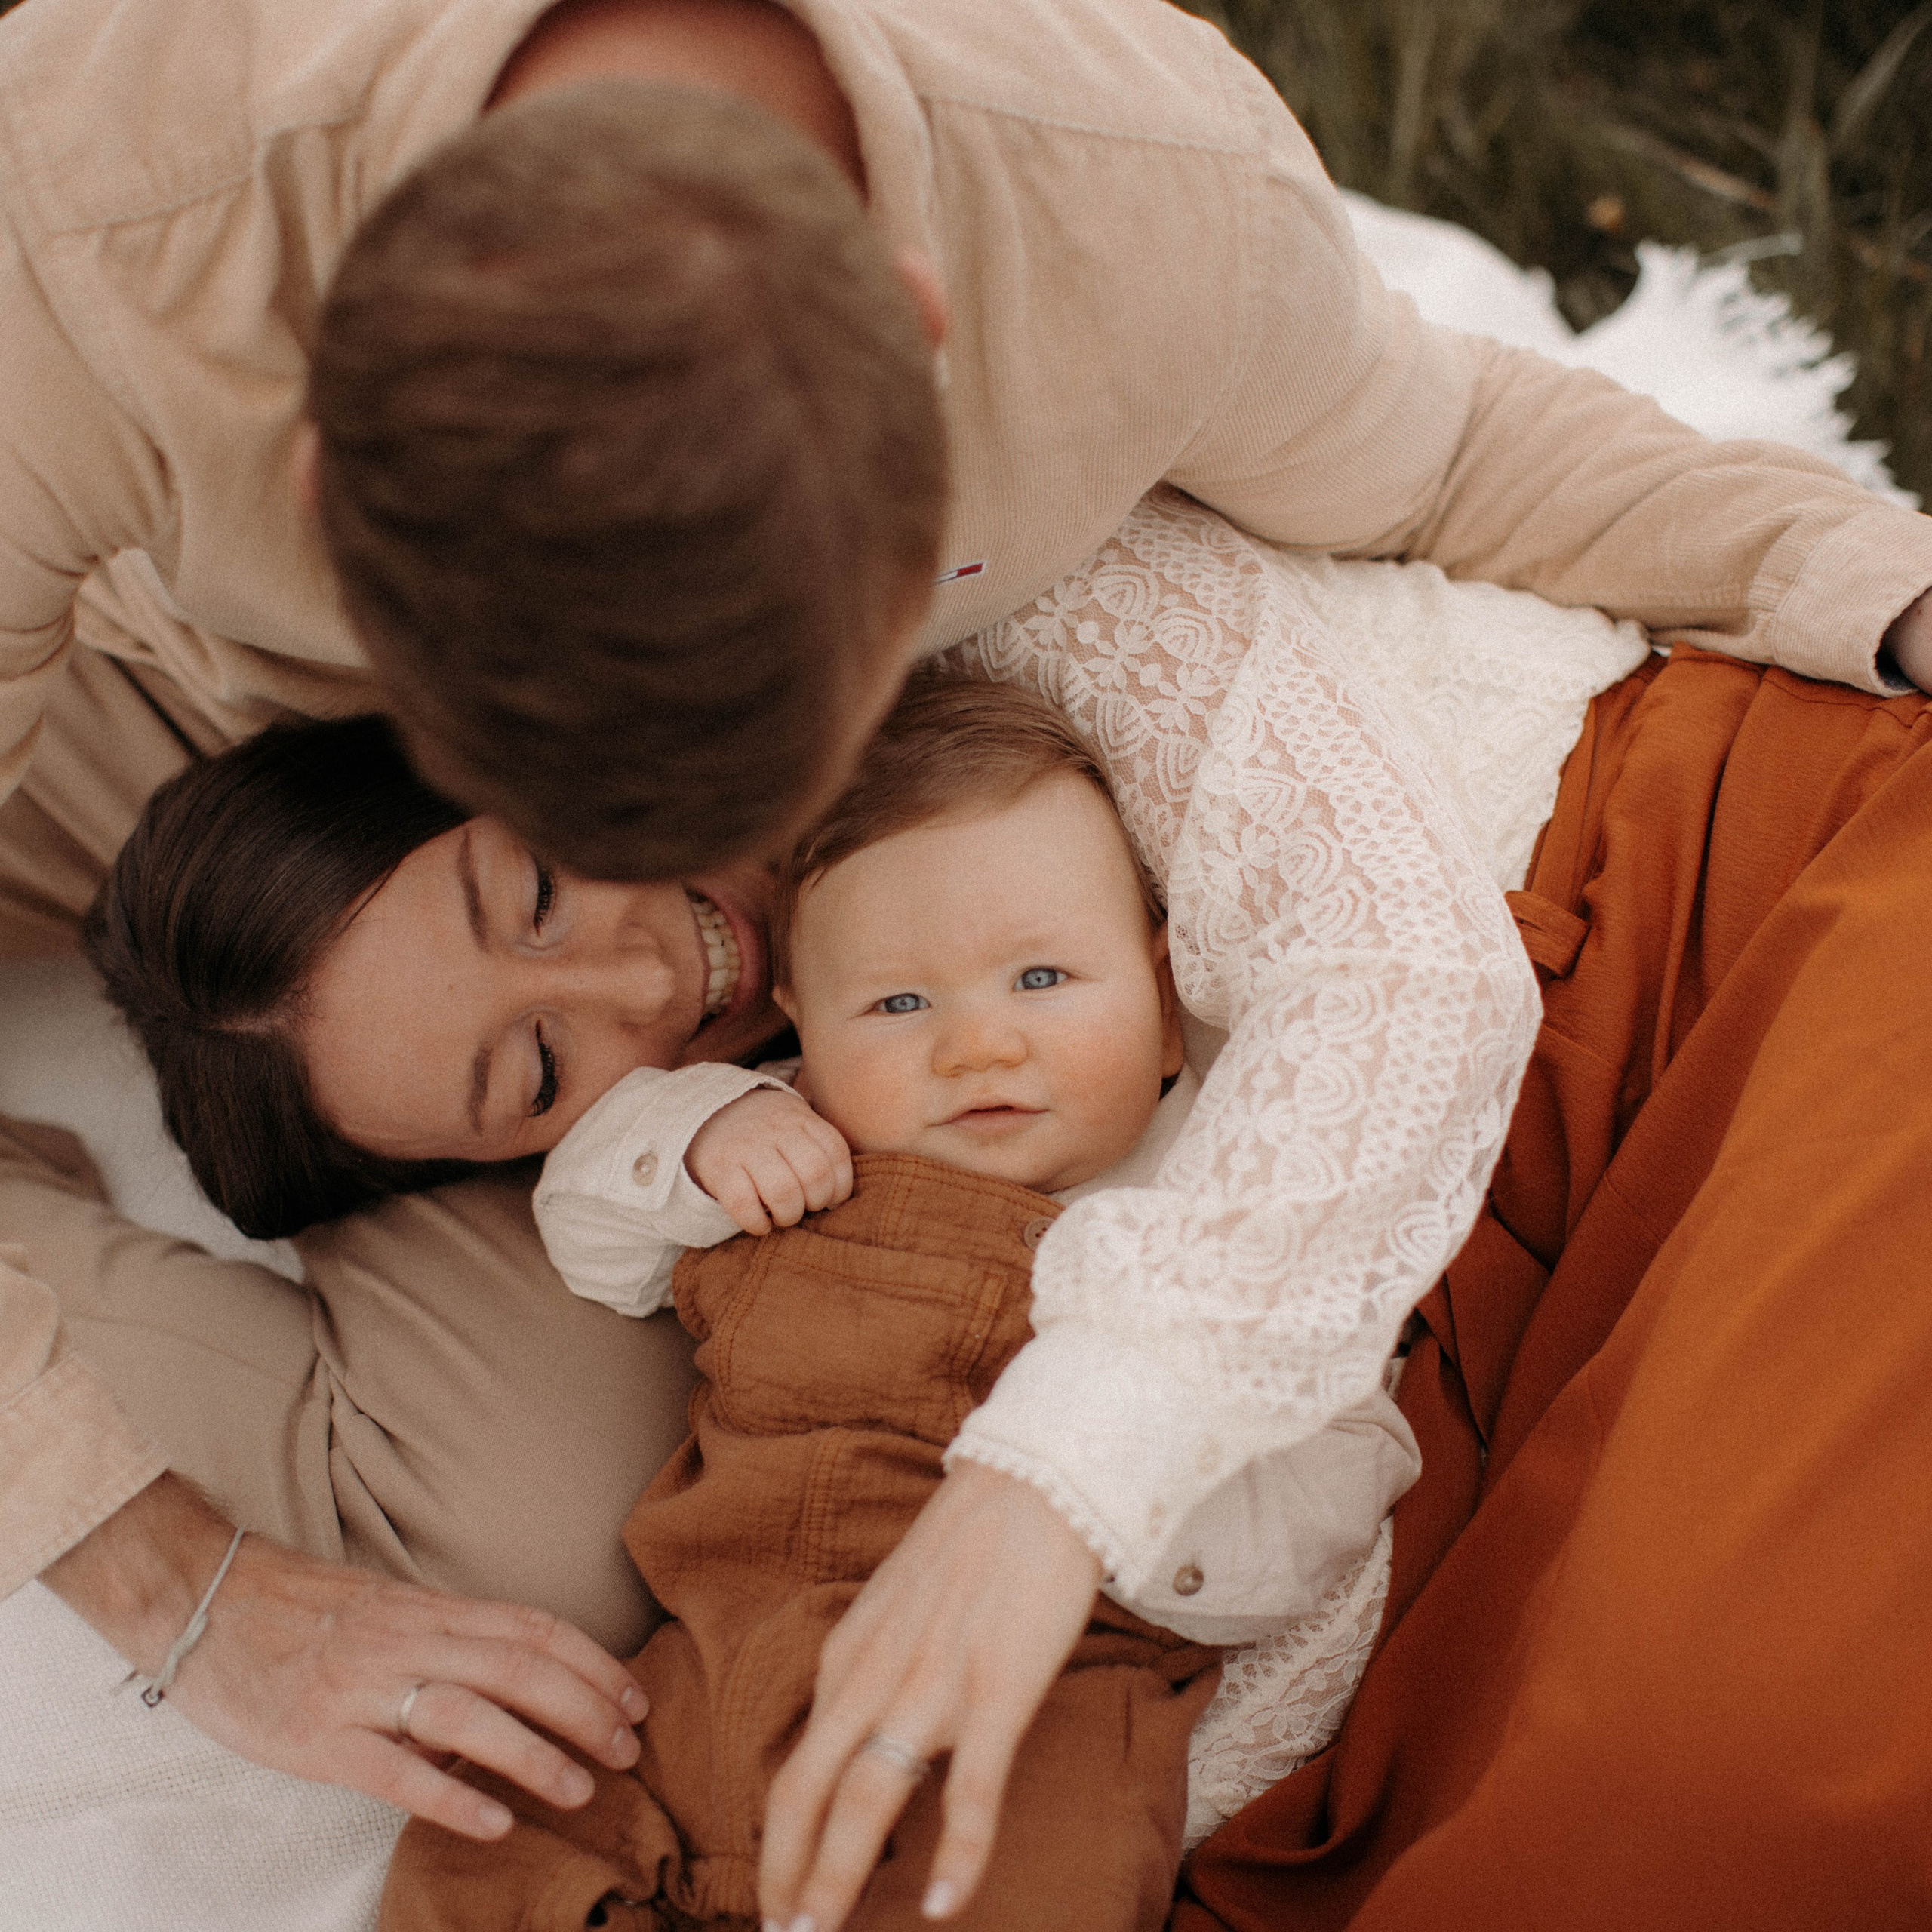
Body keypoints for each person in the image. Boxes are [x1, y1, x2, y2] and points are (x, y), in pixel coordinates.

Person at [5, 0, 1932, 1897]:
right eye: (573, 841)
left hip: (1647, 960)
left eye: (729, 799)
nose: (684, 971)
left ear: (921, 350)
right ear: (322, 492)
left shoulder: (1133, 213)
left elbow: (1446, 468)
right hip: (197, 712)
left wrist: (1883, 588)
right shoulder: (78, 229)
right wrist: (174, 1587)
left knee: (1719, 1759)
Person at [375, 676, 1413, 1927]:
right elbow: (589, 1229)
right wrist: (701, 1134)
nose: (975, 1046)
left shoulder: (1202, 1206)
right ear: (806, 1033)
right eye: (898, 1004)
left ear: (1161, 1012)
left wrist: (1138, 1516)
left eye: (1042, 978)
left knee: (1035, 1884)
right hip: (711, 1652)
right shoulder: (790, 1132)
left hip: (1029, 1690)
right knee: (487, 1823)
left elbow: (1348, 1440)